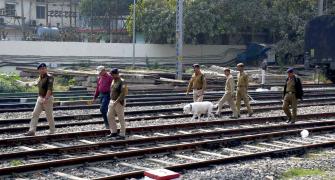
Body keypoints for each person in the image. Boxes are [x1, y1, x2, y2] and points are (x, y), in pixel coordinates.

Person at [24, 63, 55, 136]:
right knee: (35, 114)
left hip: (48, 98)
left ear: (46, 69)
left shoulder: (50, 77)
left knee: (49, 115)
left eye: (44, 68)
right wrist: (28, 84)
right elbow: (36, 83)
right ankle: (32, 131)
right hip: (40, 98)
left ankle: (52, 131)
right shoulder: (40, 77)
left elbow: (49, 89)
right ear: (39, 70)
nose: (43, 70)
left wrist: (46, 98)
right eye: (41, 69)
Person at [107, 68, 128, 140]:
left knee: (120, 118)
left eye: (112, 74)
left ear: (116, 74)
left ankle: (122, 134)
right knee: (109, 116)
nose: (111, 76)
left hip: (119, 102)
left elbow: (123, 93)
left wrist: (116, 101)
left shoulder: (122, 82)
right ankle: (114, 132)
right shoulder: (113, 80)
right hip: (112, 101)